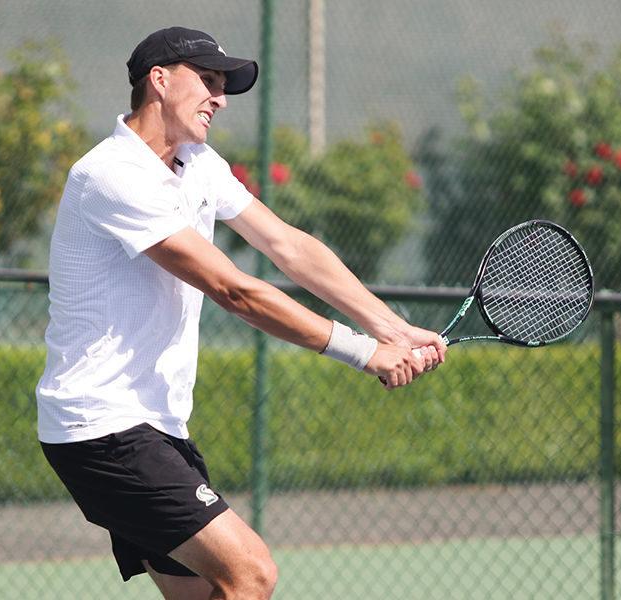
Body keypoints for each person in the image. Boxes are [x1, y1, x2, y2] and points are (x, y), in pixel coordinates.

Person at [36, 26, 447, 600]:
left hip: (158, 426)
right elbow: (236, 291)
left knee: (205, 594)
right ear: (159, 80)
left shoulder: (198, 163)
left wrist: (393, 328)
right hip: (103, 428)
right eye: (207, 81)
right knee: (251, 572)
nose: (221, 98)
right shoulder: (111, 174)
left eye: (222, 86)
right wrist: (363, 352)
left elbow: (288, 246)